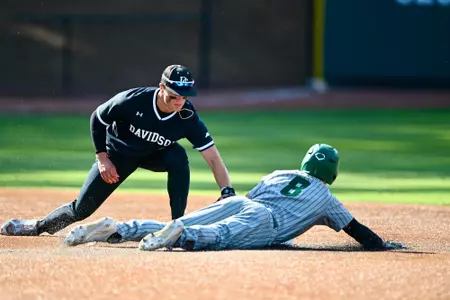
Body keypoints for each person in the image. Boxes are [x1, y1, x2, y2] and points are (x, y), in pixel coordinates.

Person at [1, 64, 235, 237]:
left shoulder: (187, 116)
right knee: (81, 209)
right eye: (174, 95)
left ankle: (177, 225)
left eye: (185, 96)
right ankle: (37, 226)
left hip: (155, 155)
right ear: (162, 87)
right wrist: (102, 158)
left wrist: (227, 190)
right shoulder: (132, 101)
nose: (179, 102)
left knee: (179, 157)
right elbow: (98, 118)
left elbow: (213, 157)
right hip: (117, 155)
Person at [63, 143, 406, 251]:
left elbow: (250, 199)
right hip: (264, 221)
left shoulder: (280, 173)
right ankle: (184, 235)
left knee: (176, 222)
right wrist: (383, 245)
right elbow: (357, 230)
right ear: (332, 173)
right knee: (220, 237)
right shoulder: (327, 198)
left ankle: (118, 228)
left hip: (241, 201)